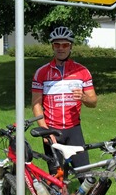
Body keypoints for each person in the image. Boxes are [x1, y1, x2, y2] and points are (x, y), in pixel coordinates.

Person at [31, 26, 97, 174]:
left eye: (65, 45)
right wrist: (45, 130)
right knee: (57, 177)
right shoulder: (41, 72)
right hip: (51, 130)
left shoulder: (82, 71)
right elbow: (36, 104)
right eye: (57, 44)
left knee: (86, 175)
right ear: (52, 47)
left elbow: (93, 102)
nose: (61, 48)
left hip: (74, 130)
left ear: (71, 46)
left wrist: (84, 97)